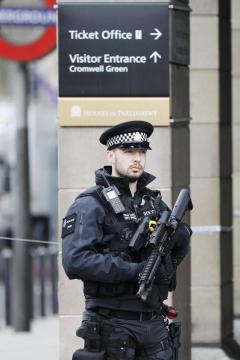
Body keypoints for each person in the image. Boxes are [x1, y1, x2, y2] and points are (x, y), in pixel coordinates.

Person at [61, 120, 191, 360]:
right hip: (112, 324)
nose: (137, 158)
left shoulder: (152, 203)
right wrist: (134, 271)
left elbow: (174, 249)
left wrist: (175, 248)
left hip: (153, 323)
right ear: (111, 155)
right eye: (129, 151)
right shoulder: (90, 205)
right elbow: (76, 261)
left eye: (142, 152)